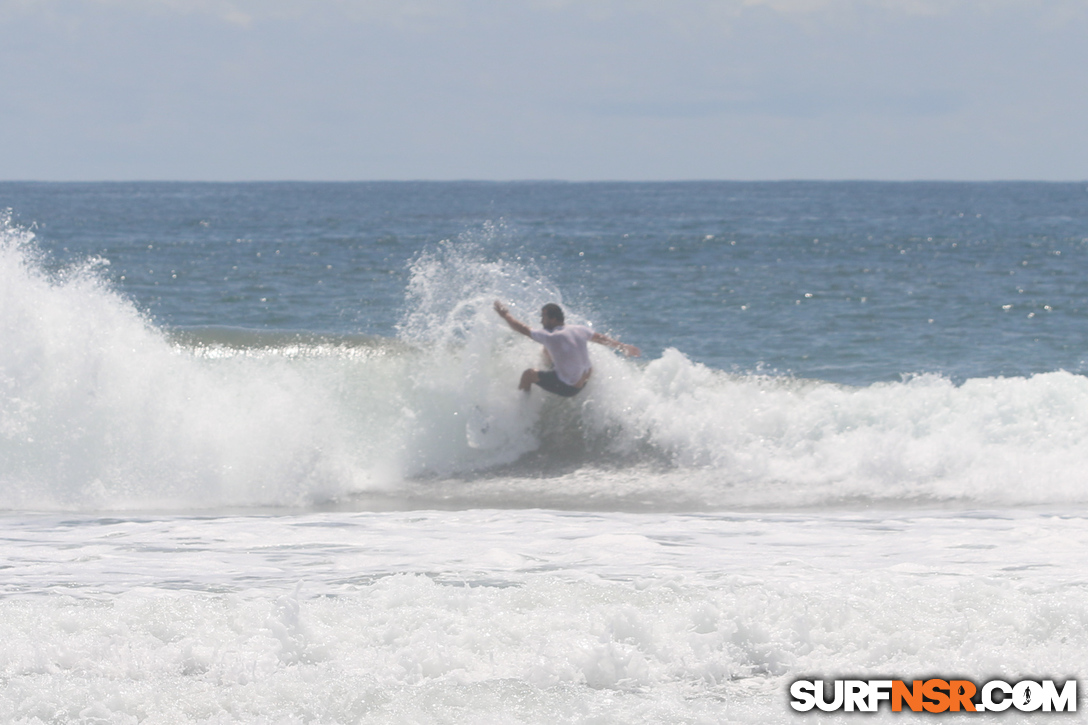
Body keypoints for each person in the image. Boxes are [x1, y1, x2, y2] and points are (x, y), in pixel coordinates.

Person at [493, 300, 640, 397]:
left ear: (553, 319)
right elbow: (600, 338)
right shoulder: (579, 329)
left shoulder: (550, 336)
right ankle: (554, 371)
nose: (541, 321)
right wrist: (622, 347)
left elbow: (521, 329)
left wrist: (505, 315)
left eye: (543, 317)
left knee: (528, 374)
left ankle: (522, 405)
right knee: (545, 350)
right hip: (585, 379)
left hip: (568, 387)